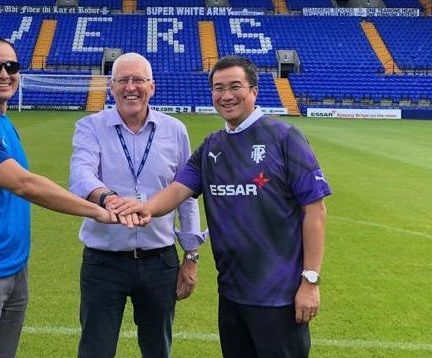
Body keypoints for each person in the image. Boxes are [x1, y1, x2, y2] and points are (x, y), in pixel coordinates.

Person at [114, 56, 331, 357]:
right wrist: (144, 208)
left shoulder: (284, 137)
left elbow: (315, 210)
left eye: (235, 86)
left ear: (254, 91)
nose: (226, 95)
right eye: (218, 88)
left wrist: (310, 280)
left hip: (279, 297)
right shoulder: (212, 146)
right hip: (231, 295)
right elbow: (177, 190)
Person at [0, 37, 140, 358]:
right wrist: (97, 210)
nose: (4, 73)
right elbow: (24, 185)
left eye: (11, 66)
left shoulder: (2, 123)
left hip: (12, 268)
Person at [69, 52, 206, 358]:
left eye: (138, 80)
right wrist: (109, 199)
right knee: (95, 350)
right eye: (122, 80)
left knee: (158, 349)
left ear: (152, 86)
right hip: (104, 261)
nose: (130, 87)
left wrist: (192, 256)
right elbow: (81, 174)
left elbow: (186, 194)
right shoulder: (90, 126)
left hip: (160, 262)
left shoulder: (175, 130)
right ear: (111, 87)